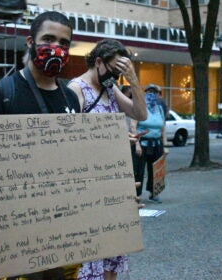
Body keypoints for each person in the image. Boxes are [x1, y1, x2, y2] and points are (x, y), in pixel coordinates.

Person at [0, 10, 81, 280]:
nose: (56, 48)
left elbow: (80, 162)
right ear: (30, 42)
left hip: (65, 228)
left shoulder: (70, 98)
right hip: (21, 232)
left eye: (64, 43)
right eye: (48, 39)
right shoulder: (2, 93)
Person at [67, 39, 147, 280]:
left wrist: (133, 80)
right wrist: (115, 140)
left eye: (121, 74)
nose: (116, 77)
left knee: (112, 258)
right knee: (91, 262)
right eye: (114, 70)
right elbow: (71, 141)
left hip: (113, 180)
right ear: (98, 62)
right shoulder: (77, 89)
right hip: (88, 188)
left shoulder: (110, 88)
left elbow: (140, 113)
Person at [131, 84, 169, 203]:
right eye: (149, 92)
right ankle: (136, 195)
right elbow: (133, 126)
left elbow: (163, 127)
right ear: (145, 93)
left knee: (157, 170)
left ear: (158, 95)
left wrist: (165, 146)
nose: (152, 94)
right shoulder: (140, 107)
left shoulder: (160, 108)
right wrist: (136, 144)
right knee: (138, 170)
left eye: (155, 92)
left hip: (156, 144)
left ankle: (154, 193)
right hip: (142, 143)